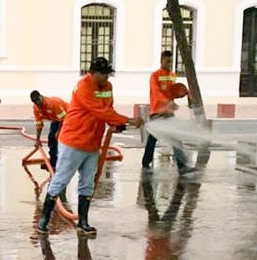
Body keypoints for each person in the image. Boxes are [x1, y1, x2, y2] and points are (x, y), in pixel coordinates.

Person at [38, 56, 141, 237]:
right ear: (92, 73)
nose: (106, 78)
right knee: (61, 180)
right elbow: (99, 110)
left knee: (87, 183)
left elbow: (108, 109)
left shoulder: (107, 87)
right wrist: (128, 120)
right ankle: (43, 222)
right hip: (74, 141)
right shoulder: (84, 86)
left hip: (93, 142)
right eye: (103, 75)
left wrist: (116, 124)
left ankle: (83, 223)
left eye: (108, 74)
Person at [142, 49, 192, 173]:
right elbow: (157, 93)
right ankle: (146, 162)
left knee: (175, 137)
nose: (169, 64)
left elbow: (172, 92)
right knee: (153, 138)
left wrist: (183, 93)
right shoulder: (155, 75)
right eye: (167, 61)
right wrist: (168, 102)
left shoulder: (172, 76)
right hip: (157, 112)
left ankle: (182, 166)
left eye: (171, 61)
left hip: (168, 112)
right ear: (161, 61)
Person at [29, 89, 67, 171]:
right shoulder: (36, 108)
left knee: (62, 141)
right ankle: (53, 163)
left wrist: (59, 132)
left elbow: (64, 118)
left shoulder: (53, 103)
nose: (38, 104)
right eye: (35, 102)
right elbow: (39, 124)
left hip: (68, 117)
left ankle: (63, 165)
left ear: (41, 97)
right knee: (51, 138)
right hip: (56, 119)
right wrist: (37, 140)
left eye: (38, 101)